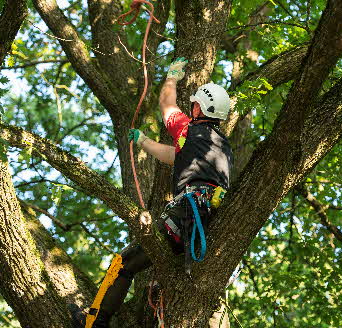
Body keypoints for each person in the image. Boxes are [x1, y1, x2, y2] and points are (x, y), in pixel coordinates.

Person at [72, 58, 233, 328]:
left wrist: (171, 78)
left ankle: (92, 324)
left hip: (185, 219)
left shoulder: (189, 129)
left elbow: (166, 104)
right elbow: (177, 157)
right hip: (208, 225)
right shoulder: (222, 147)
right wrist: (145, 142)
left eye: (194, 104)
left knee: (123, 264)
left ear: (199, 107)